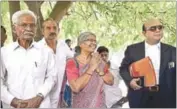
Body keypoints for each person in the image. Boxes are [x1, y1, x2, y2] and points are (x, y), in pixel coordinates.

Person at [1, 10, 57, 108]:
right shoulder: (4, 52)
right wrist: (13, 101)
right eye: (24, 25)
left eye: (32, 25)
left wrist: (39, 97)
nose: (29, 28)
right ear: (14, 28)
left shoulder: (46, 52)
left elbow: (52, 78)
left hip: (40, 105)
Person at [119, 18, 176, 108]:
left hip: (166, 97)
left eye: (160, 27)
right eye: (153, 28)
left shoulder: (172, 51)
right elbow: (123, 69)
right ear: (144, 33)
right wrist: (130, 81)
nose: (157, 30)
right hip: (139, 96)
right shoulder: (133, 49)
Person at [66, 32, 114, 108]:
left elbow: (111, 81)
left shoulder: (99, 60)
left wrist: (98, 69)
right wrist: (92, 67)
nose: (94, 43)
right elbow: (75, 87)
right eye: (90, 40)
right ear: (81, 44)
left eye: (95, 41)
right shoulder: (72, 62)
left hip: (100, 105)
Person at [37, 18, 73, 108]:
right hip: (42, 96)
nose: (52, 31)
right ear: (42, 31)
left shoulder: (63, 46)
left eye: (54, 28)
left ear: (58, 30)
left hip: (60, 94)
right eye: (48, 28)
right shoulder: (37, 48)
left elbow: (73, 61)